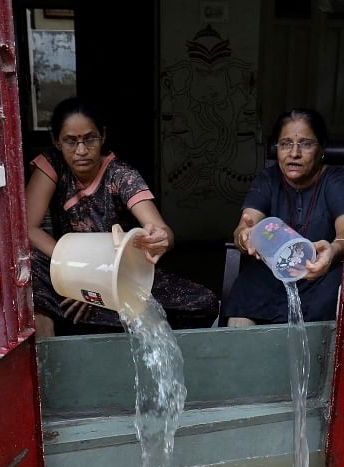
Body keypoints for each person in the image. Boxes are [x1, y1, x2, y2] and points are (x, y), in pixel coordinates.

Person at [26, 97, 218, 336]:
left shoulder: (121, 175)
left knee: (204, 303)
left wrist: (160, 238)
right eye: (71, 141)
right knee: (32, 264)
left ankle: (95, 311)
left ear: (103, 136)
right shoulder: (53, 165)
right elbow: (29, 227)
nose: (82, 150)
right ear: (56, 141)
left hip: (118, 275)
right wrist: (80, 276)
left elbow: (160, 228)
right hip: (68, 273)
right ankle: (54, 347)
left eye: (90, 139)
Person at [227, 108, 344, 325]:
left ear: (321, 148)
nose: (294, 153)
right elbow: (243, 227)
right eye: (285, 144)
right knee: (243, 297)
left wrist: (332, 251)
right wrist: (245, 237)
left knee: (328, 303)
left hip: (319, 273)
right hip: (273, 272)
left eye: (305, 143)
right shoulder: (268, 179)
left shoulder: (336, 180)